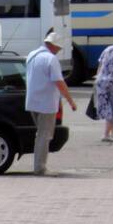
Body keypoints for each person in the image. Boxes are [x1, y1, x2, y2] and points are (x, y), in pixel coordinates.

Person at [24, 31, 77, 174]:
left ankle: (38, 165)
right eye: (58, 48)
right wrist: (71, 101)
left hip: (32, 101)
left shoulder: (32, 55)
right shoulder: (50, 59)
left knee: (40, 134)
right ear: (53, 45)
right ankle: (40, 168)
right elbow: (60, 82)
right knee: (44, 135)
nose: (59, 51)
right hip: (46, 103)